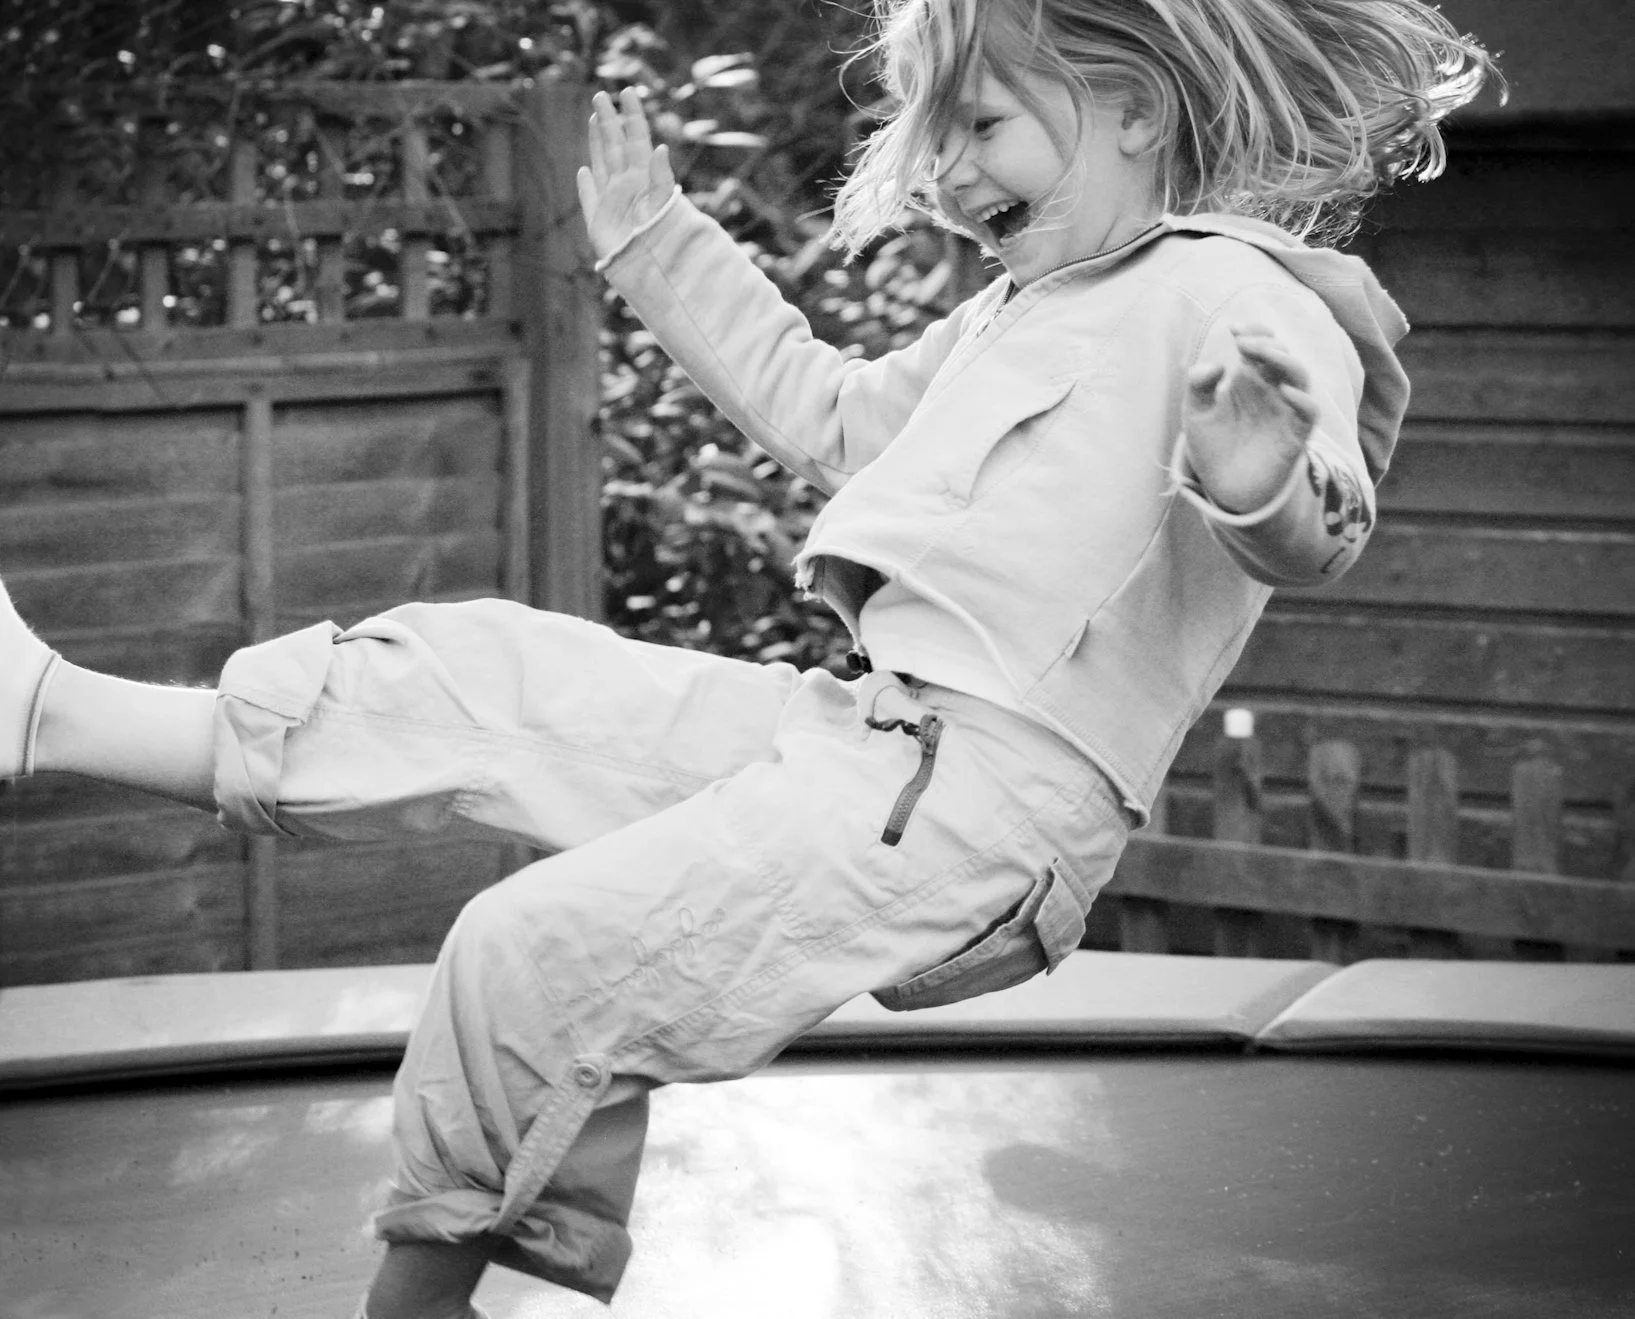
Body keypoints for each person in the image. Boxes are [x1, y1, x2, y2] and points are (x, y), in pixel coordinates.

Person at [0, 0, 1493, 1311]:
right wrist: (656, 248)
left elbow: (1307, 528)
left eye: (980, 124)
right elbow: (833, 415)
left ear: (1134, 107)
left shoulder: (1244, 300)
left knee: (529, 946)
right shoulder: (1020, 310)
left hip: (988, 808)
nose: (951, 173)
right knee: (475, 671)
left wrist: (1254, 479)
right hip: (866, 742)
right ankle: (49, 713)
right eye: (936, 135)